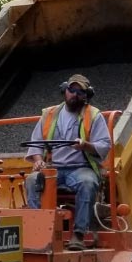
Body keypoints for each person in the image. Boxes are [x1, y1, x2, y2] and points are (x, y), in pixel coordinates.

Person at [23, 73, 112, 251]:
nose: (75, 94)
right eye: (72, 90)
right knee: (32, 180)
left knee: (87, 183)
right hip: (54, 168)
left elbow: (104, 144)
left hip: (80, 168)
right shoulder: (48, 114)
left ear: (87, 95)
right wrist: (39, 160)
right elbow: (36, 143)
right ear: (65, 90)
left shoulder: (94, 115)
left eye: (80, 91)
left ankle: (78, 234)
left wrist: (85, 145)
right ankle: (39, 230)